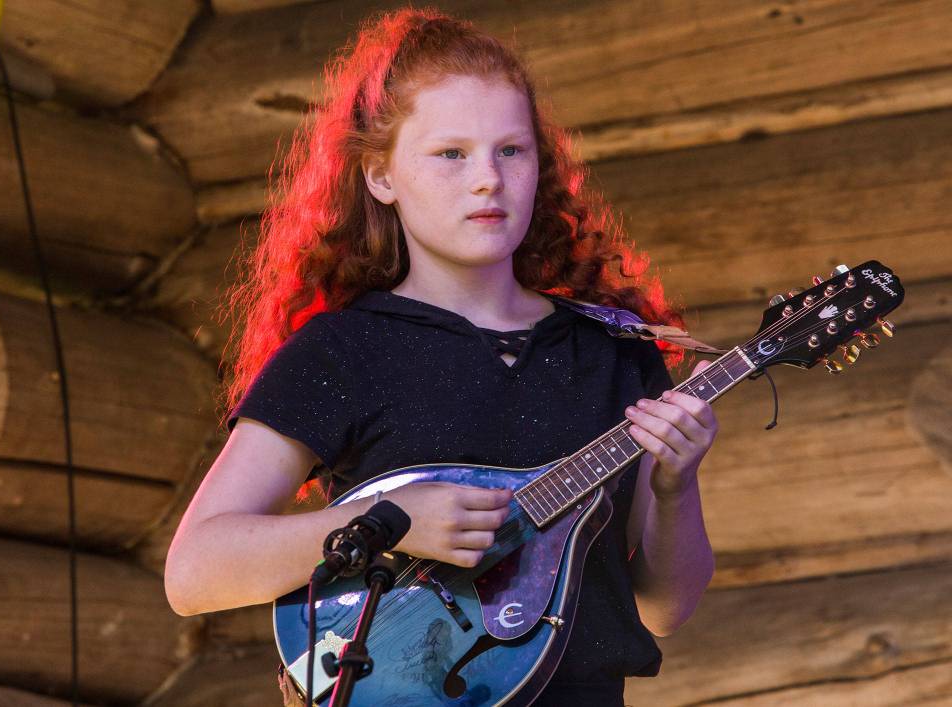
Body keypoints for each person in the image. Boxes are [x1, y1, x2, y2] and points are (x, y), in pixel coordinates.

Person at [163, 8, 717, 705]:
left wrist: (676, 486)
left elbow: (666, 605)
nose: (487, 178)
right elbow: (194, 571)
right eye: (450, 153)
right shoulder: (342, 353)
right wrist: (391, 519)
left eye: (510, 150)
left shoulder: (610, 351)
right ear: (380, 176)